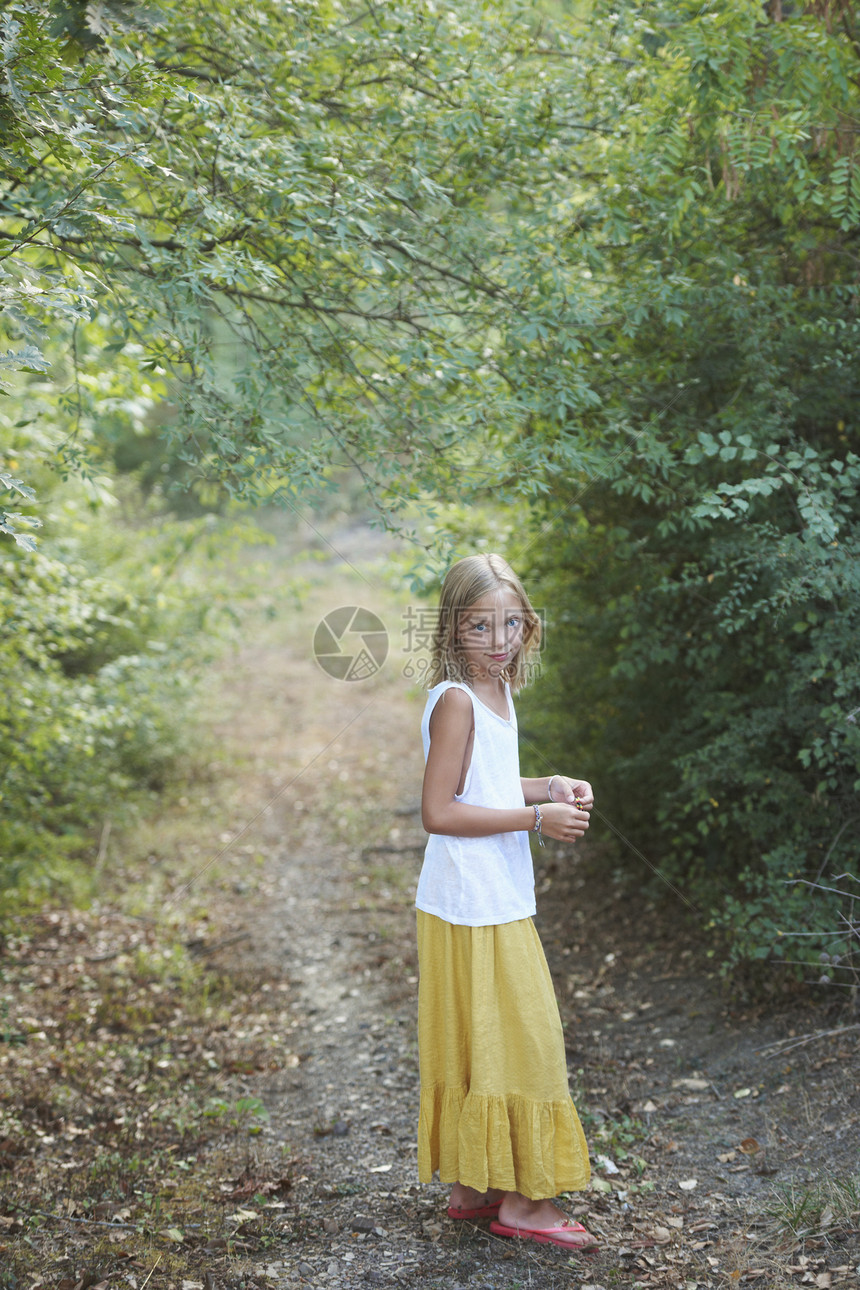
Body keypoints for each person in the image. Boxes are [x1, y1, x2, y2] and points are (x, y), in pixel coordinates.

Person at [415, 552, 597, 1252]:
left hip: (483, 897)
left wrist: (546, 785)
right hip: (471, 904)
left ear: (528, 625)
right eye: (481, 626)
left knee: (482, 1036)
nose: (499, 640)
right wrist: (534, 822)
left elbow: (482, 783)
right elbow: (438, 810)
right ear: (453, 630)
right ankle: (523, 1203)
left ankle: (474, 1184)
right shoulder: (458, 697)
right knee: (528, 1039)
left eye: (511, 623)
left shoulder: (493, 689)